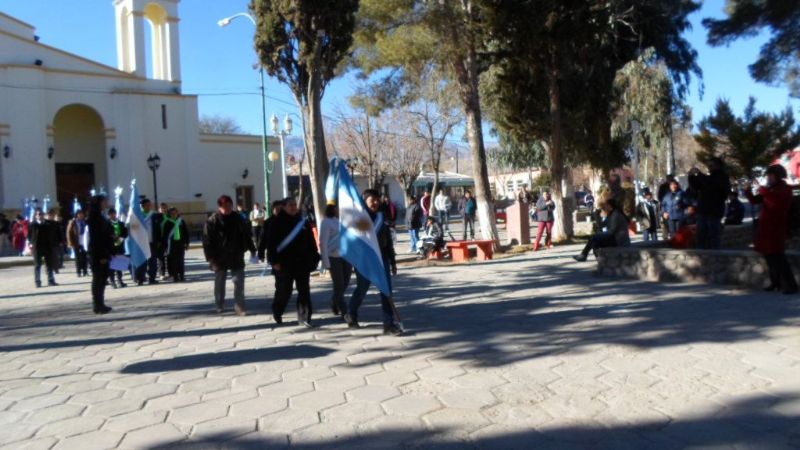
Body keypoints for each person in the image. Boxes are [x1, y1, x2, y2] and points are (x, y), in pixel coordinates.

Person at [346, 189, 403, 336]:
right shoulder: (358, 219)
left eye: (377, 199)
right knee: (362, 288)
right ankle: (351, 313)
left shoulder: (381, 217)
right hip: (365, 260)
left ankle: (388, 324)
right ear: (364, 202)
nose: (376, 203)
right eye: (372, 200)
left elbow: (388, 241)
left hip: (381, 258)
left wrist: (393, 261)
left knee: (386, 290)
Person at [266, 197, 320, 327]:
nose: (293, 207)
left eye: (295, 205)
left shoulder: (303, 222)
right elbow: (271, 244)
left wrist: (314, 257)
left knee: (304, 291)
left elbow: (311, 242)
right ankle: (277, 311)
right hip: (284, 263)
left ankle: (304, 317)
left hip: (302, 262)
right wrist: (274, 261)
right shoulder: (276, 222)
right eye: (290, 205)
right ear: (284, 207)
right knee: (285, 290)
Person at [746, 165, 798, 295]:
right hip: (766, 226)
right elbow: (755, 200)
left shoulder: (785, 189)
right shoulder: (770, 189)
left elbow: (776, 203)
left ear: (778, 176)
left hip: (777, 227)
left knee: (778, 256)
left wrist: (763, 190)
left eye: (770, 176)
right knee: (769, 256)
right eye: (768, 176)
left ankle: (791, 285)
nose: (768, 178)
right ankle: (775, 282)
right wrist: (748, 191)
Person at [203, 195, 257, 316]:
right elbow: (207, 241)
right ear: (219, 207)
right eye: (225, 206)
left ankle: (240, 307)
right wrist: (210, 258)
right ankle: (219, 304)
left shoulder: (238, 218)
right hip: (219, 256)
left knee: (239, 282)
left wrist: (252, 249)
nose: (228, 208)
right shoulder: (212, 220)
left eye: (229, 205)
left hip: (236, 254)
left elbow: (246, 235)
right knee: (220, 282)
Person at [688, 158, 731, 249]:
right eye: (709, 165)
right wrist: (691, 176)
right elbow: (696, 187)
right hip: (703, 211)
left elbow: (712, 185)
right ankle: (702, 255)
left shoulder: (723, 177)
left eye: (712, 165)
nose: (710, 167)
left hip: (714, 211)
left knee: (713, 237)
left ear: (718, 166)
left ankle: (715, 256)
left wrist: (699, 174)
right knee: (701, 236)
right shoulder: (708, 177)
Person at [319, 204, 352, 316]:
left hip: (346, 256)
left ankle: (334, 301)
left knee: (346, 283)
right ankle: (344, 310)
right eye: (338, 208)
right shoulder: (326, 222)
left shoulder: (344, 221)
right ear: (333, 209)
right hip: (334, 257)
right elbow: (323, 243)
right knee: (339, 284)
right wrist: (325, 262)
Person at [87, 194, 114, 314]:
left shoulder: (101, 216)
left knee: (103, 278)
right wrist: (102, 254)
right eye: (104, 201)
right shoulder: (95, 217)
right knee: (98, 278)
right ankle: (97, 305)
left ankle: (100, 303)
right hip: (98, 252)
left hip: (104, 250)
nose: (106, 203)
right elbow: (97, 237)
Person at [29, 208, 60, 288]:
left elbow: (54, 231)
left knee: (49, 265)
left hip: (47, 247)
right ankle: (37, 281)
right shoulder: (33, 225)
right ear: (36, 216)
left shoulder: (48, 224)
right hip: (37, 248)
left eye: (41, 214)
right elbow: (29, 236)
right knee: (37, 265)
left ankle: (51, 280)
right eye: (38, 214)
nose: (40, 216)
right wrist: (30, 244)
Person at [135, 199, 162, 285]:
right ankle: (140, 279)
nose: (149, 206)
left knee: (152, 262)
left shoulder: (154, 215)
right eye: (147, 205)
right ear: (142, 206)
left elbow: (158, 229)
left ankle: (152, 278)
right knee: (141, 262)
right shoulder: (138, 216)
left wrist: (158, 240)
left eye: (150, 205)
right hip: (141, 243)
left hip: (152, 242)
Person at [162, 207, 189, 282]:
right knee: (173, 261)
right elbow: (165, 235)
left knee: (181, 260)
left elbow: (186, 233)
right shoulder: (168, 222)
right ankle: (175, 276)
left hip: (180, 243)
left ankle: (182, 275)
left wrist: (187, 243)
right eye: (172, 213)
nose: (174, 215)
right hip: (171, 244)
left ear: (177, 213)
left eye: (175, 213)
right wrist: (165, 246)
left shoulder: (181, 221)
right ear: (169, 214)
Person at [107, 208, 128, 288]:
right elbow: (105, 234)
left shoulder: (121, 223)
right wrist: (112, 238)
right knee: (112, 265)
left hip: (120, 246)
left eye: (113, 214)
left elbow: (125, 233)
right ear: (109, 215)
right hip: (111, 247)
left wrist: (121, 238)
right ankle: (112, 281)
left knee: (119, 264)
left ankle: (120, 280)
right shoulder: (106, 224)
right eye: (111, 214)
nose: (112, 215)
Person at [66, 210, 89, 277]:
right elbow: (69, 233)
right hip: (76, 241)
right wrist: (70, 242)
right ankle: (78, 272)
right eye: (79, 214)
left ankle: (85, 271)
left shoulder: (86, 221)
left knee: (84, 257)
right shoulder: (73, 222)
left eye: (82, 214)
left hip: (84, 241)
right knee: (78, 257)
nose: (81, 215)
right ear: (77, 215)